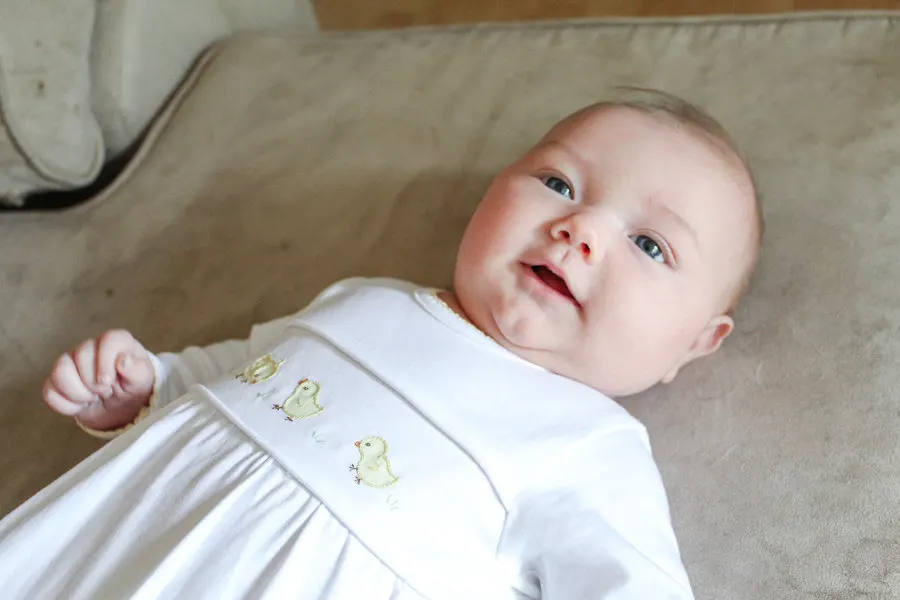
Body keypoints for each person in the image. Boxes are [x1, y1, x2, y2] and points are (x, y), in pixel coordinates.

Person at [0, 88, 762, 600]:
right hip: (116, 544)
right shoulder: (365, 298)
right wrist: (146, 386)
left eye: (651, 246)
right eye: (560, 184)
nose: (581, 230)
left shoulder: (588, 444)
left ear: (696, 343)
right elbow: (233, 372)